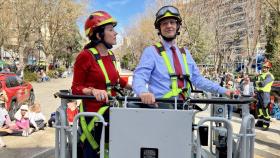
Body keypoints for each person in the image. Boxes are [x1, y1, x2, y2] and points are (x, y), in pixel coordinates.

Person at [133, 5, 235, 107]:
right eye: (164, 23)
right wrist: (143, 92)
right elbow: (139, 77)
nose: (169, 26)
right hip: (161, 109)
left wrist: (224, 90)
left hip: (184, 108)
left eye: (172, 22)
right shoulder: (151, 52)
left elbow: (198, 79)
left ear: (177, 26)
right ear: (159, 28)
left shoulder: (185, 53)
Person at [71, 11, 131, 158]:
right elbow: (75, 88)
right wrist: (92, 91)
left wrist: (137, 86)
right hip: (93, 120)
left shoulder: (111, 55)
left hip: (112, 115)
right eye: (110, 30)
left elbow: (115, 80)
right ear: (98, 35)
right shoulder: (85, 56)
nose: (115, 33)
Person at [255, 61, 274, 130]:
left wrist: (258, 82)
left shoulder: (269, 76)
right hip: (259, 93)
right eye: (264, 67)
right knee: (259, 109)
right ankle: (260, 122)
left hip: (265, 94)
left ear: (269, 68)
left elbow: (263, 84)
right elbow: (255, 82)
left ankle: (266, 125)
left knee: (265, 109)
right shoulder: (260, 75)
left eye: (266, 67)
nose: (264, 68)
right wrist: (257, 82)